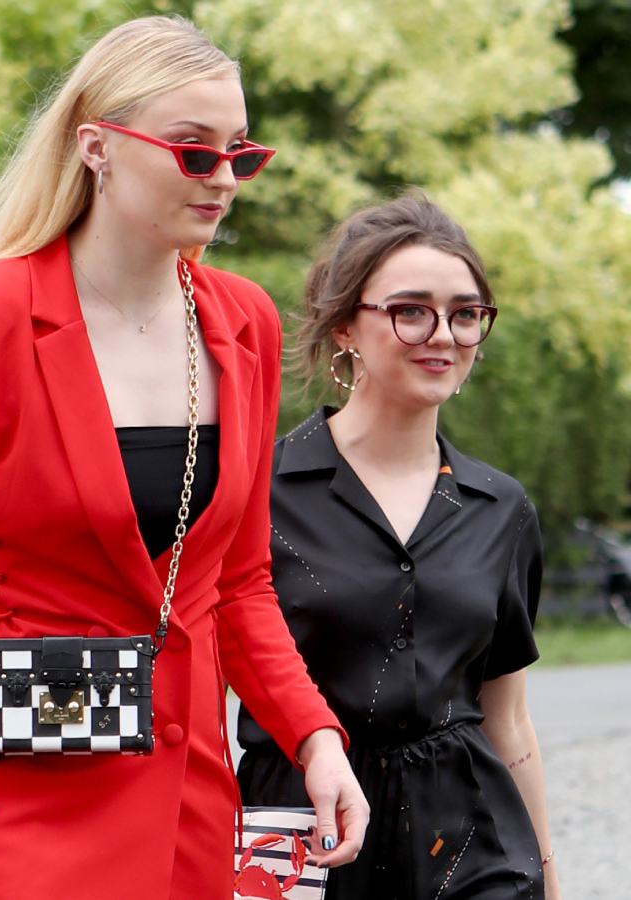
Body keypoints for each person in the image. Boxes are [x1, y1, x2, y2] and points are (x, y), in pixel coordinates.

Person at [0, 16, 368, 900]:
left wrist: (315, 739)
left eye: (239, 153)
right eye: (191, 150)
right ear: (96, 147)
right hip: (10, 799)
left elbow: (238, 585)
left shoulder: (243, 322)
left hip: (186, 807)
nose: (223, 179)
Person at [237, 194, 562, 900]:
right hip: (303, 832)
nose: (442, 334)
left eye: (466, 313)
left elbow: (507, 716)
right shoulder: (259, 490)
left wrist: (550, 877)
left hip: (471, 840)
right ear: (348, 324)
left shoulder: (501, 509)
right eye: (410, 310)